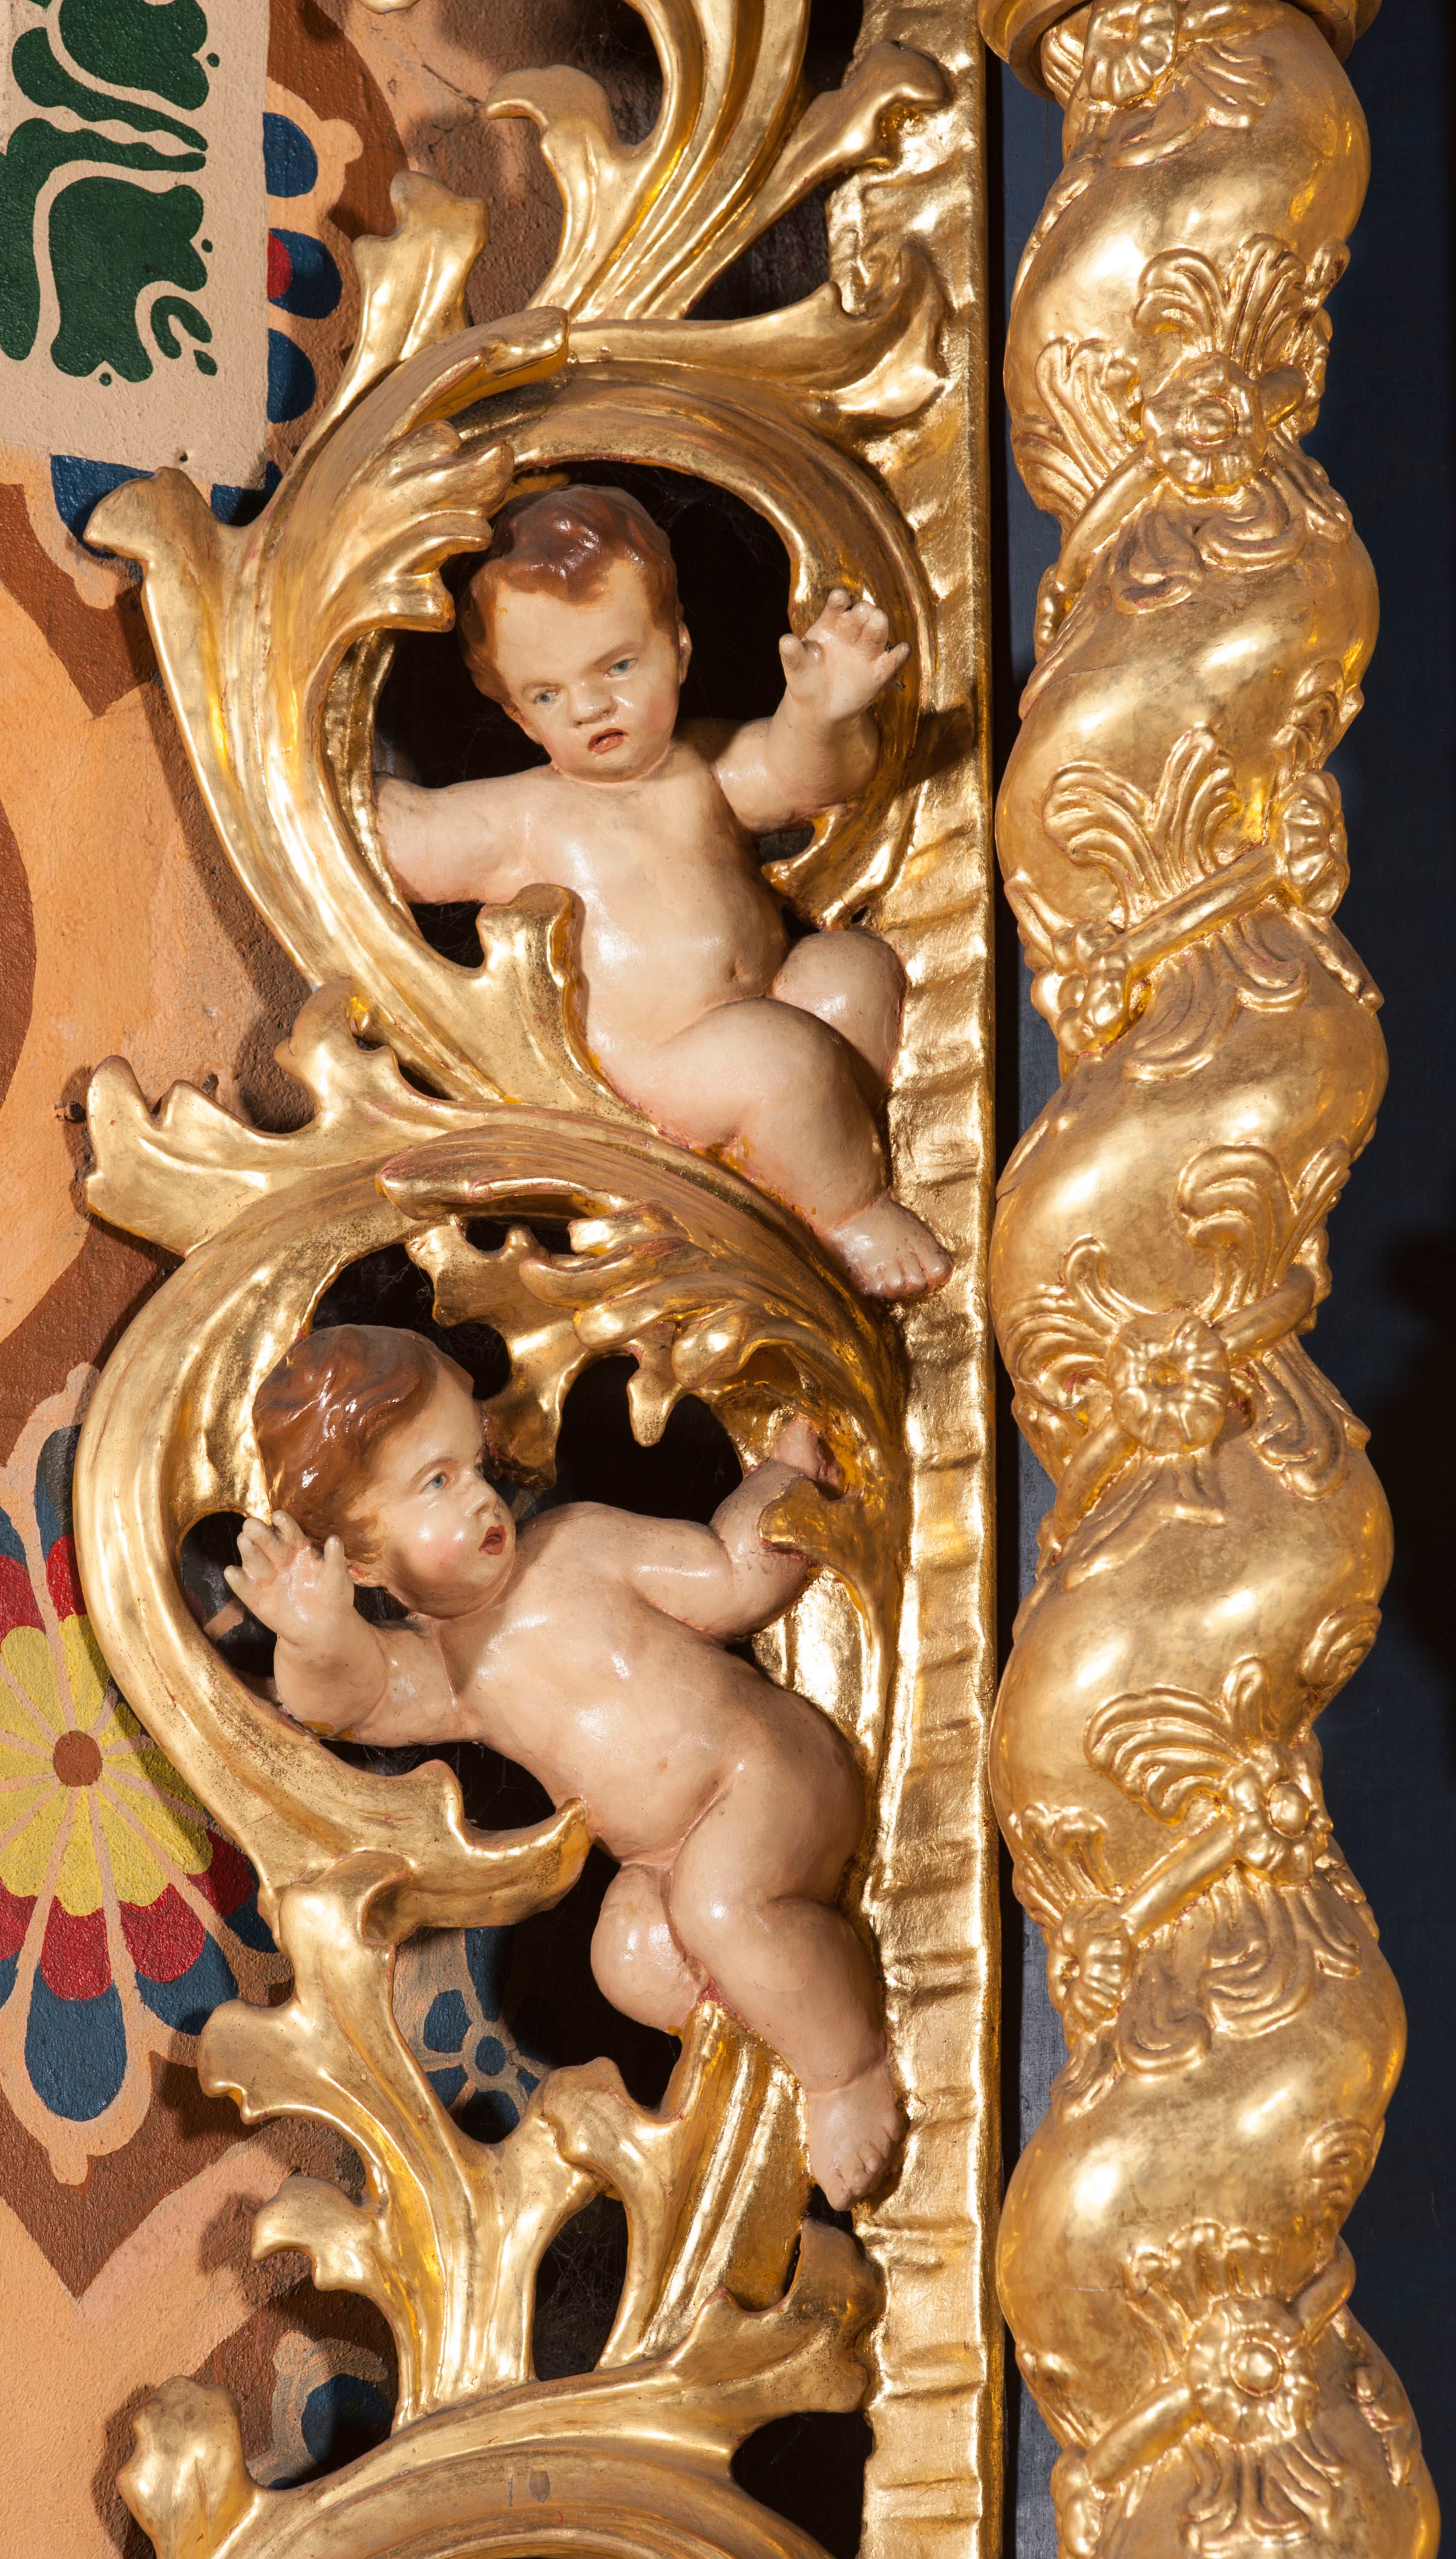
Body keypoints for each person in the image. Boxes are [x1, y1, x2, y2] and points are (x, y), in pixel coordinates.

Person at [225, 1322, 905, 2209]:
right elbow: (356, 1703)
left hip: (766, 1774)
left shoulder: (575, 1545)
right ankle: (785, 2011)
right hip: (665, 1860)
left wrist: (784, 1478)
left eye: (474, 1464)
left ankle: (849, 2069)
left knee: (715, 1904)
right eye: (437, 1483)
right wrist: (316, 1639)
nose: (481, 1497)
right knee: (625, 1955)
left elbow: (729, 1579)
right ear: (361, 1561)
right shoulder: (450, 1674)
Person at [375, 486, 951, 1301]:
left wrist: (822, 714)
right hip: (658, 1069)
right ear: (515, 714)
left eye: (618, 666)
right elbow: (410, 839)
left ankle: (808, 1162)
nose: (590, 705)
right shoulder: (522, 815)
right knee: (782, 1061)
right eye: (546, 694)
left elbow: (803, 779)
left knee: (851, 971)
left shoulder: (699, 763)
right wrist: (311, 768)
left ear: (677, 649)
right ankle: (850, 1217)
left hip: (761, 1011)